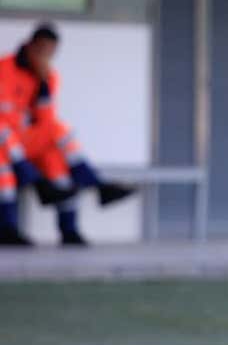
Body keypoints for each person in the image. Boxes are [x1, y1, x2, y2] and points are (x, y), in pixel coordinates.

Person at [0, 23, 135, 246]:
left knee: (57, 154)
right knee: (2, 145)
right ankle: (7, 227)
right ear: (30, 46)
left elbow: (45, 120)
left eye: (51, 53)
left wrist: (42, 87)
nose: (45, 56)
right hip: (6, 144)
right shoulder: (3, 68)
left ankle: (69, 230)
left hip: (23, 145)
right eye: (42, 50)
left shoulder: (48, 77)